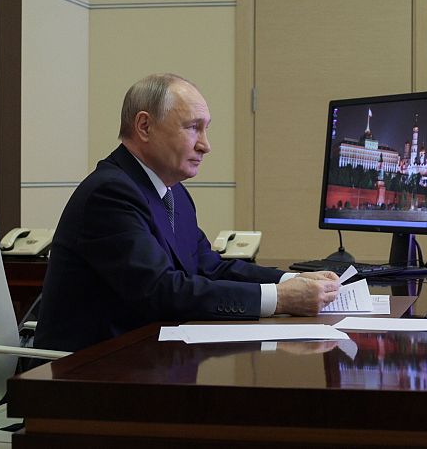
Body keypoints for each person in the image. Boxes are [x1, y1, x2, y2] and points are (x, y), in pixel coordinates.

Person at [36, 73, 340, 352]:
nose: (206, 145)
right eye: (193, 127)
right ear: (144, 126)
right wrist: (281, 299)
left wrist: (292, 280)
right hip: (87, 378)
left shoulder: (173, 193)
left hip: (147, 363)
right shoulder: (110, 193)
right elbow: (160, 291)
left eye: (206, 129)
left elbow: (210, 268)